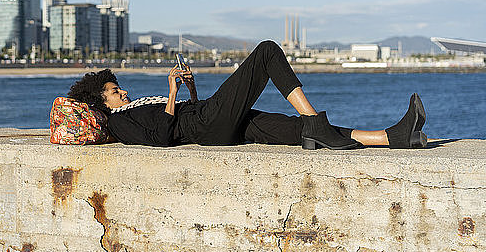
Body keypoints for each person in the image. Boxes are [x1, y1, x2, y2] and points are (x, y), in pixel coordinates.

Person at [68, 40, 427, 149]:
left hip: (211, 119)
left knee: (295, 129)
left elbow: (177, 118)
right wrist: (172, 94)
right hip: (207, 126)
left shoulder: (132, 108)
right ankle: (315, 123)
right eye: (116, 91)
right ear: (102, 102)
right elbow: (162, 138)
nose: (123, 92)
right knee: (268, 51)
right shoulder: (120, 122)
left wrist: (189, 89)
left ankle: (392, 137)